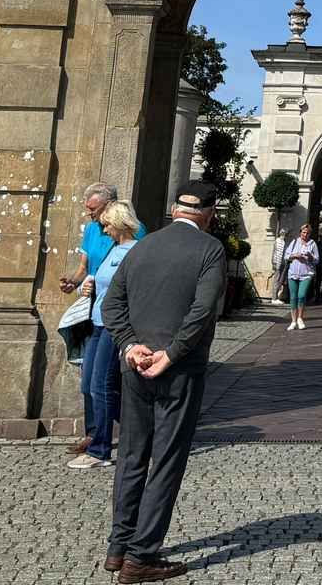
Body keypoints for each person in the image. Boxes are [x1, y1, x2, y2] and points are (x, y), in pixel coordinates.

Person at [101, 180, 227, 582]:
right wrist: (170, 354)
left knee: (131, 457)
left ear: (175, 209)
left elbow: (111, 305)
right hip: (178, 371)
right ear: (208, 213)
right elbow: (203, 311)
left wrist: (130, 346)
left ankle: (118, 547)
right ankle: (141, 557)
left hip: (135, 367)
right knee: (167, 460)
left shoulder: (141, 246)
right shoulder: (210, 250)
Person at [69, 200, 141, 470]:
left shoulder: (135, 251)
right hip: (98, 323)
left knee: (102, 385)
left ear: (120, 223)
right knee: (90, 384)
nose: (105, 230)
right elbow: (98, 280)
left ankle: (100, 449)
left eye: (108, 224)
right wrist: (83, 288)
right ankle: (144, 431)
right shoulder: (114, 248)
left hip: (115, 327)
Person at [282, 224, 318, 332]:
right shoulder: (294, 242)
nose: (305, 235)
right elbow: (286, 256)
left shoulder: (312, 244)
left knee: (301, 295)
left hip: (306, 273)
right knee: (293, 297)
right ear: (300, 232)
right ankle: (293, 321)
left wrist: (310, 257)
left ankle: (300, 318)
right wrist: (295, 255)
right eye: (303, 232)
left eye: (307, 233)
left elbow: (317, 260)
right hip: (293, 273)